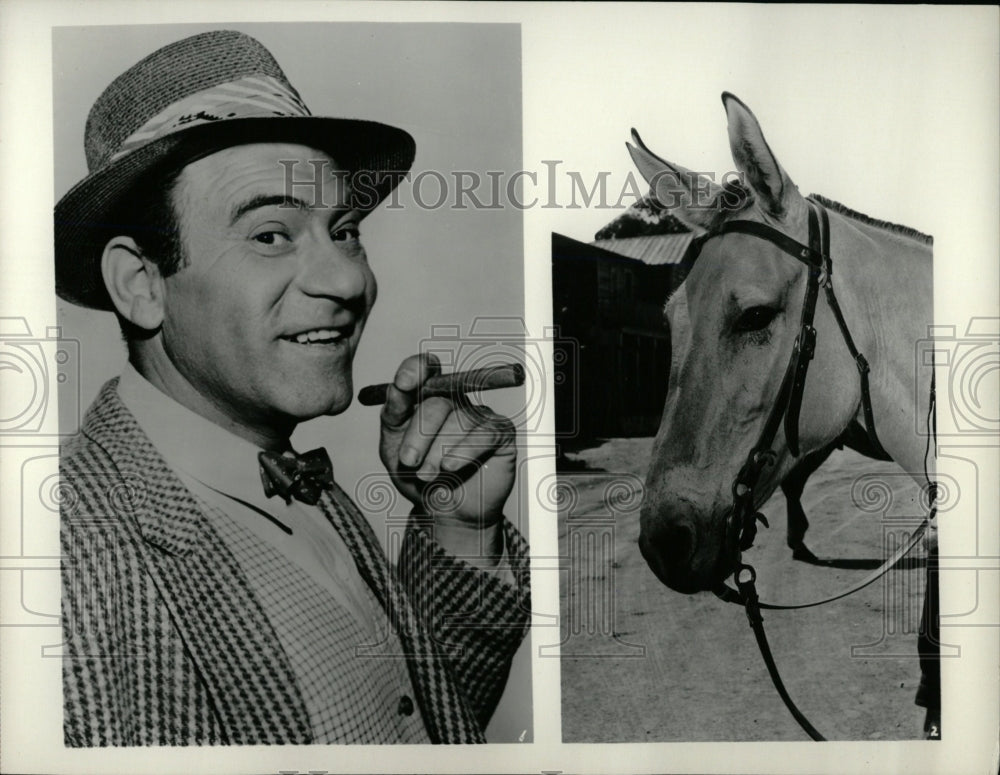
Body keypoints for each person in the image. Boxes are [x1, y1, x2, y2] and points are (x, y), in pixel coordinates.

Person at [55, 29, 529, 746]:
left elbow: (419, 723)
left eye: (344, 231)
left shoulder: (304, 485)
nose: (348, 282)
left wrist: (459, 527)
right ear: (142, 284)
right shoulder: (68, 569)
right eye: (270, 234)